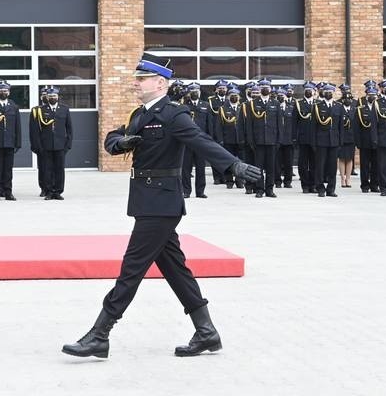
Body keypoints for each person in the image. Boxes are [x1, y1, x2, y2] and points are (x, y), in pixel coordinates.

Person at [61, 52, 261, 359]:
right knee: (175, 269)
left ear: (160, 83)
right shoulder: (140, 114)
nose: (136, 84)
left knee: (132, 269)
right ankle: (206, 332)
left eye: (141, 79)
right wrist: (121, 143)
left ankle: (100, 334)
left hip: (162, 202)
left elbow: (201, 141)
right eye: (137, 79)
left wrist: (233, 165)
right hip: (147, 199)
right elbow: (114, 137)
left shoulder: (173, 115)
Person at [32, 86, 72, 200]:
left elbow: (69, 129)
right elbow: (37, 130)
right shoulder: (41, 110)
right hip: (46, 145)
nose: (52, 98)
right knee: (47, 169)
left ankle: (58, 191)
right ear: (47, 97)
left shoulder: (64, 109)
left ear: (58, 97)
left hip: (60, 145)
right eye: (50, 96)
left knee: (59, 169)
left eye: (54, 96)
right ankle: (49, 191)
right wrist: (39, 146)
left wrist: (68, 144)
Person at [245, 79, 281, 198]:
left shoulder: (275, 103)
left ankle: (269, 189)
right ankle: (259, 189)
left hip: (272, 139)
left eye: (267, 87)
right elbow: (249, 124)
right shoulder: (253, 103)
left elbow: (279, 123)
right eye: (263, 87)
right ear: (259, 89)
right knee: (258, 167)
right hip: (258, 139)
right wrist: (250, 140)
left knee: (271, 166)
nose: (265, 89)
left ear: (270, 89)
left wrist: (278, 139)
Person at [181, 82, 214, 198]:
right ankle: (186, 191)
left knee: (201, 167)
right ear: (189, 93)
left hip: (200, 141)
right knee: (186, 168)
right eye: (193, 91)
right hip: (187, 141)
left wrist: (210, 139)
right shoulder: (184, 106)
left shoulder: (205, 105)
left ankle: (200, 191)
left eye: (197, 90)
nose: (195, 93)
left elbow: (210, 123)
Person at [312, 83, 343, 197]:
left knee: (332, 166)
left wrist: (341, 141)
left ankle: (331, 189)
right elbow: (313, 126)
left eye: (330, 92)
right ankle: (320, 188)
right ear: (323, 93)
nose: (328, 94)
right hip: (321, 140)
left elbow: (341, 127)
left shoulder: (338, 106)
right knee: (320, 166)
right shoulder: (318, 106)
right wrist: (314, 141)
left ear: (333, 93)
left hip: (334, 140)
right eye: (326, 92)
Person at [217, 86, 246, 188]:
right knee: (228, 161)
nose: (234, 97)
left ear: (239, 97)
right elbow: (219, 126)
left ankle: (240, 180)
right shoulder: (223, 109)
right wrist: (220, 139)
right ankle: (229, 181)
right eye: (232, 95)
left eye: (236, 95)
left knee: (241, 161)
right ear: (228, 97)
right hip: (228, 139)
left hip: (240, 139)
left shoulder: (243, 108)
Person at [354, 86, 379, 193]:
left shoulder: (379, 108)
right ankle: (364, 185)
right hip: (365, 141)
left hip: (377, 141)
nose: (372, 98)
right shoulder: (360, 109)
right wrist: (358, 142)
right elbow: (356, 127)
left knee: (376, 164)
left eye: (374, 96)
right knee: (364, 165)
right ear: (366, 96)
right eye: (370, 96)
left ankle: (374, 185)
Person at [296, 81, 317, 193]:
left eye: (310, 90)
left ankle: (313, 184)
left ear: (314, 91)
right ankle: (305, 185)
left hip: (315, 138)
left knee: (314, 163)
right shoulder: (299, 104)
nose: (308, 91)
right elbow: (294, 122)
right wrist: (294, 137)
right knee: (303, 163)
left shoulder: (318, 103)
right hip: (303, 138)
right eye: (306, 90)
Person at [30, 86, 50, 197]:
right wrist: (35, 145)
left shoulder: (58, 109)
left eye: (47, 95)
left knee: (53, 168)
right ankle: (43, 188)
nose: (45, 97)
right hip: (41, 145)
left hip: (53, 144)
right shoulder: (36, 110)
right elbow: (33, 130)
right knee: (42, 168)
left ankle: (52, 187)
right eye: (43, 95)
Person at [275, 87, 296, 189]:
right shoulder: (273, 107)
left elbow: (294, 124)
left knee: (288, 163)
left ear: (285, 97)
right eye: (278, 96)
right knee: (277, 163)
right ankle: (277, 181)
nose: (280, 97)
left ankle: (288, 181)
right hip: (276, 139)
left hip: (288, 140)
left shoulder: (291, 108)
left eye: (282, 96)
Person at [338, 91, 355, 188]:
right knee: (342, 158)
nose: (347, 100)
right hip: (342, 137)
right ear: (343, 100)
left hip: (351, 138)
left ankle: (348, 178)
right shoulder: (340, 109)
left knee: (349, 159)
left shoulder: (354, 110)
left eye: (349, 99)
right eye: (346, 99)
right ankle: (342, 179)